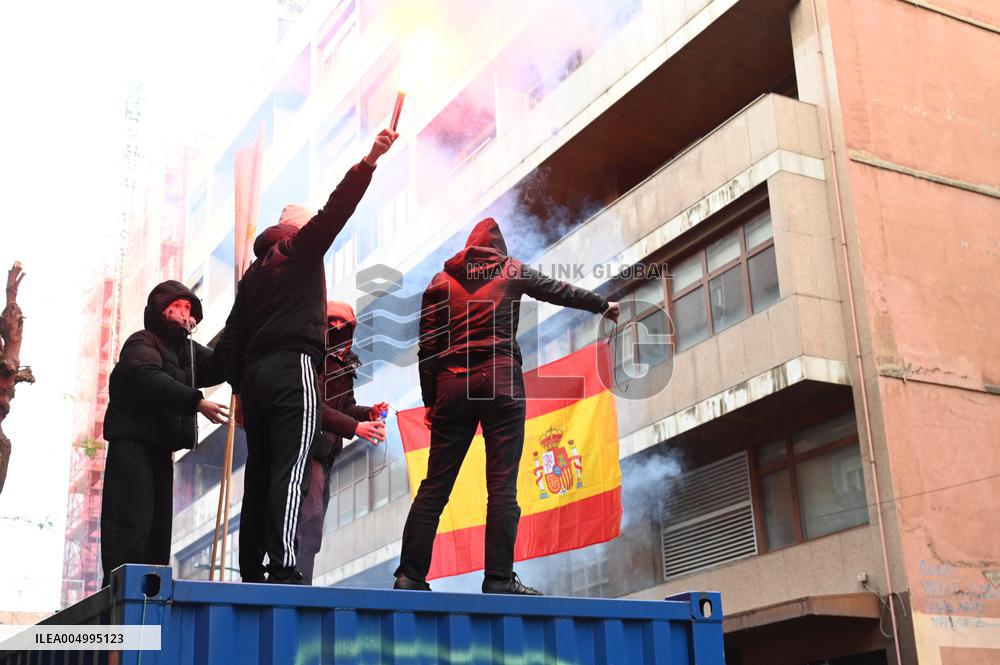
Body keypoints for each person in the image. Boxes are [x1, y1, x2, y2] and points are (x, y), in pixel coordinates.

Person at [394, 218, 620, 594]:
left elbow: (427, 349)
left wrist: (431, 401)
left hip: (452, 385)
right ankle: (498, 579)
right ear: (498, 247)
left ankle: (409, 576)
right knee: (501, 488)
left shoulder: (439, 282)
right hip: (500, 381)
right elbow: (558, 290)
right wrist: (601, 305)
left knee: (434, 487)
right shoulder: (510, 269)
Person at [218, 129, 396, 584]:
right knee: (293, 467)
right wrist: (370, 160)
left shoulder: (253, 274)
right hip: (292, 365)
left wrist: (237, 388)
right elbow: (338, 210)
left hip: (255, 379)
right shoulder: (298, 248)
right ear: (302, 226)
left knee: (260, 472)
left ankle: (252, 568)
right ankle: (284, 564)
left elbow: (232, 338)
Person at [101, 280, 229, 586]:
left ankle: (150, 600)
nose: (186, 313)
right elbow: (147, 377)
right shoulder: (141, 342)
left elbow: (222, 365)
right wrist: (196, 401)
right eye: (179, 306)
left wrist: (238, 326)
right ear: (161, 310)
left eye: (190, 307)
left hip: (161, 449)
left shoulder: (188, 351)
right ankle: (123, 601)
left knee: (158, 535)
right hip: (132, 446)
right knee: (130, 527)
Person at [295, 300, 389, 584]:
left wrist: (366, 413)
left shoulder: (344, 364)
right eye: (331, 323)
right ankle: (296, 584)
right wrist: (355, 426)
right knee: (307, 521)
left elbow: (345, 406)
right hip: (305, 449)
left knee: (314, 524)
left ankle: (302, 582)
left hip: (325, 455)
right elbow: (314, 406)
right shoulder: (312, 359)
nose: (337, 329)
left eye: (343, 326)